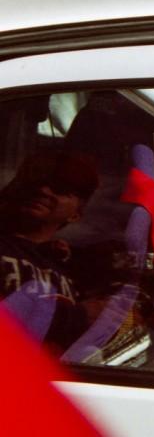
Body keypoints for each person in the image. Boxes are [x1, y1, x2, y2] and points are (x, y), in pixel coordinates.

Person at [0, 150, 100, 353]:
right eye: (34, 183)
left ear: (76, 214)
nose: (44, 191)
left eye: (60, 189)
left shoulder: (76, 270)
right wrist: (77, 317)